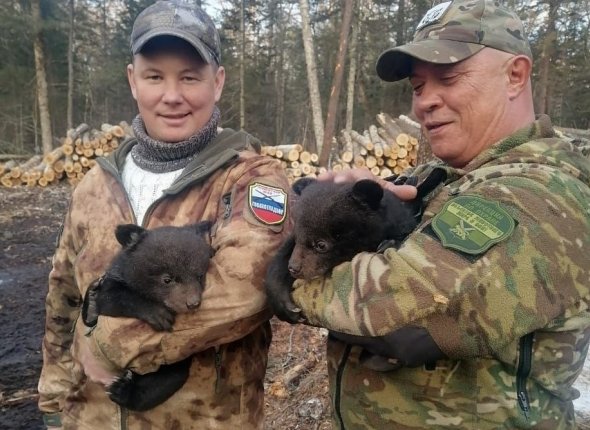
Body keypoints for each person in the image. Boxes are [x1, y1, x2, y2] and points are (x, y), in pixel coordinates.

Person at [268, 0, 590, 428]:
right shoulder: (438, 178)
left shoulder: (544, 196)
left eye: (449, 78)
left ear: (515, 75)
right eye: (418, 87)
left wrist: (284, 279)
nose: (425, 103)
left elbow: (399, 311)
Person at [37, 1, 291, 429]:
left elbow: (245, 293)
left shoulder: (251, 180)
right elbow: (63, 296)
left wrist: (108, 343)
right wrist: (54, 397)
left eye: (190, 77)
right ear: (133, 81)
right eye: (155, 76)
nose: (172, 96)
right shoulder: (95, 186)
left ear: (218, 82)